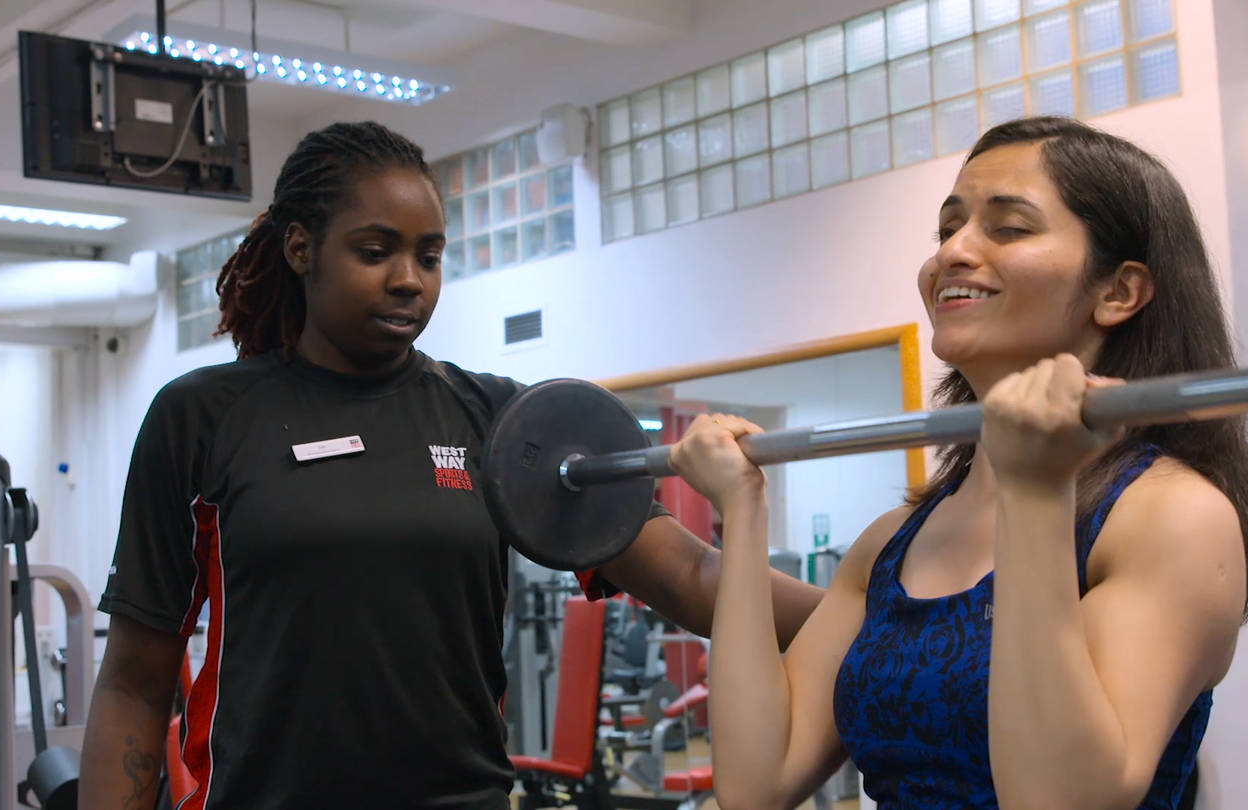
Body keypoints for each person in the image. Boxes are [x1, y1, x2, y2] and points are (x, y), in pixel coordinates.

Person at [77, 121, 824, 810]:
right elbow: (136, 685)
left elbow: (690, 577)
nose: (409, 278)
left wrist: (883, 612)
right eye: (375, 252)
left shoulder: (502, 424)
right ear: (301, 248)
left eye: (429, 256)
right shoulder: (203, 418)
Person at [669, 116, 1248, 810]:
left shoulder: (1172, 517)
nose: (953, 251)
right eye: (947, 229)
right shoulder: (892, 544)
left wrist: (1035, 491)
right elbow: (755, 785)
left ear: (1119, 292)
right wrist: (741, 513)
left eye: (1007, 228)